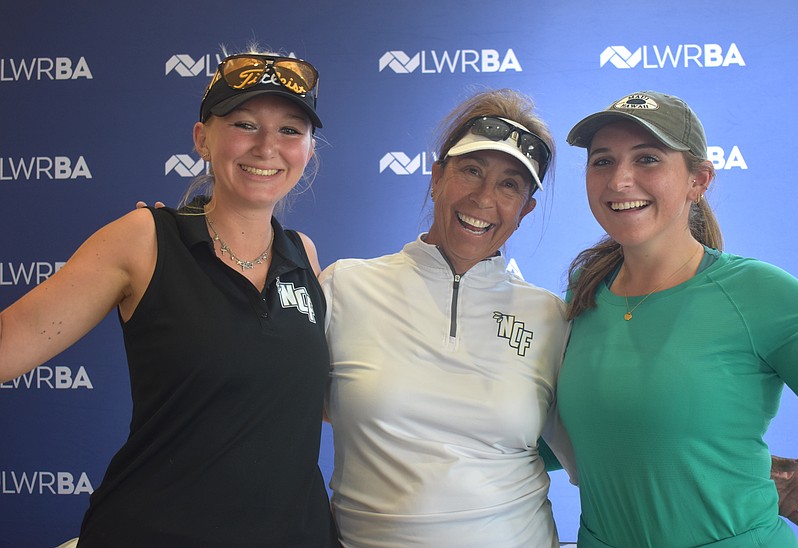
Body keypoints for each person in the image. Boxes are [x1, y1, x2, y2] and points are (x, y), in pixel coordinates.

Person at [0, 50, 340, 547]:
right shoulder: (144, 239)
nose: (268, 147)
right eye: (245, 123)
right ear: (203, 138)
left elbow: (314, 400)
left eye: (290, 130)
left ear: (308, 149)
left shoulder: (302, 254)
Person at [557, 90, 798, 547]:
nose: (619, 180)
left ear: (699, 181)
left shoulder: (759, 293)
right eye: (602, 161)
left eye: (648, 159)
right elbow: (580, 432)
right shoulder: (585, 291)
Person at [320, 89, 575, 547]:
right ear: (436, 177)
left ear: (526, 209)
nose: (483, 198)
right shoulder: (344, 287)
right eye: (471, 171)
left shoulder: (551, 317)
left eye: (509, 184)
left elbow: (607, 450)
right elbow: (266, 409)